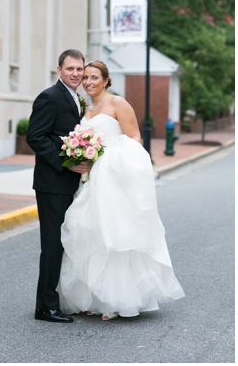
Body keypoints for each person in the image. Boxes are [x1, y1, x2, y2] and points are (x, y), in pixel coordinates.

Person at [57, 60, 185, 320]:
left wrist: (107, 159)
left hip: (114, 177)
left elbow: (134, 139)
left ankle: (117, 300)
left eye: (94, 77)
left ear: (106, 80)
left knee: (115, 233)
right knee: (89, 231)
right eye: (86, 78)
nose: (88, 82)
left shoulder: (118, 103)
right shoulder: (86, 108)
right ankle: (95, 296)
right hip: (93, 179)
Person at [26, 49, 92, 323]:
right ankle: (45, 306)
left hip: (68, 183)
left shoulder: (76, 98)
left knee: (63, 243)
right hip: (52, 184)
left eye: (80, 69)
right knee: (52, 245)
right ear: (59, 70)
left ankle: (55, 299)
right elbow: (35, 137)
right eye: (70, 69)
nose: (76, 74)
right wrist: (65, 163)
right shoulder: (49, 97)